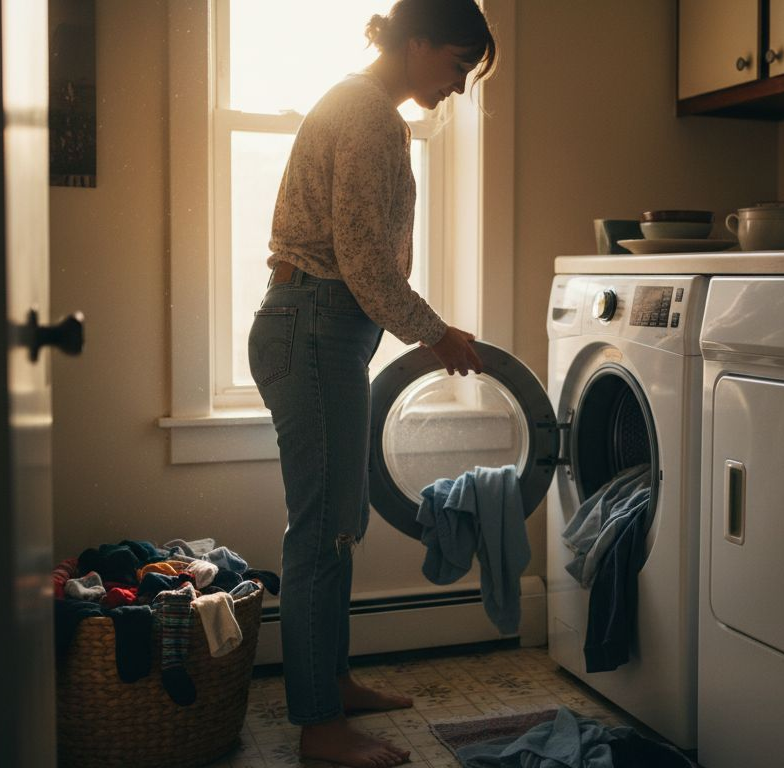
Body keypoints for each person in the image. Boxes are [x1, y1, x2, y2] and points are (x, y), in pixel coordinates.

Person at [247, 2, 496, 765]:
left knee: (339, 522)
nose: (456, 86)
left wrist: (415, 327)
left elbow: (359, 262)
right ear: (415, 39)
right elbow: (362, 260)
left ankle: (336, 684)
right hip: (315, 325)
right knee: (323, 531)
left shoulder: (364, 109)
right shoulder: (367, 114)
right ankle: (321, 728)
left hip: (321, 326)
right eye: (456, 63)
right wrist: (437, 332)